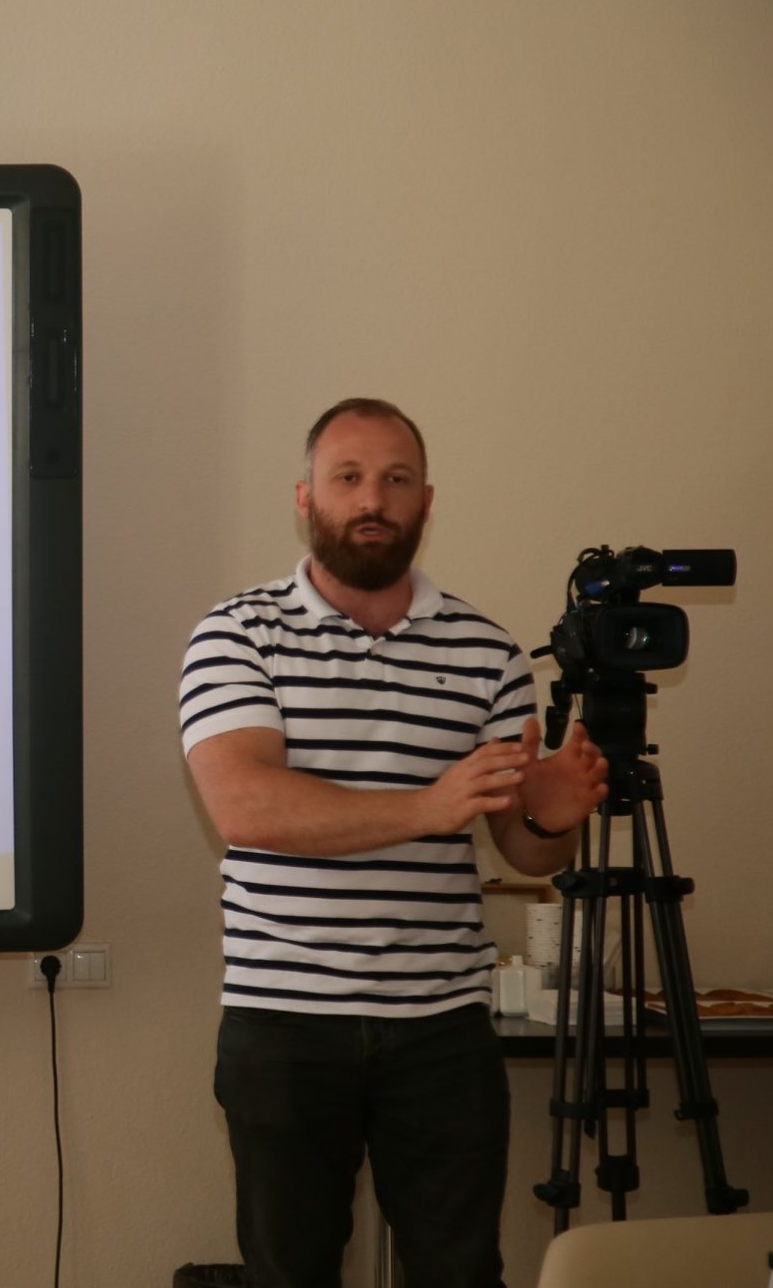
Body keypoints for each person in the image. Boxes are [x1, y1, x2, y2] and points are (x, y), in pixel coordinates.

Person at [178, 397, 608, 1288]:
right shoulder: (238, 631)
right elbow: (245, 807)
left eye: (395, 479)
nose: (372, 498)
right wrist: (429, 805)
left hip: (443, 1029)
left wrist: (554, 817)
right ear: (306, 497)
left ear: (426, 501)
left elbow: (525, 855)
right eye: (348, 477)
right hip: (285, 1023)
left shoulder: (489, 653)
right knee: (289, 1274)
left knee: (461, 1273)